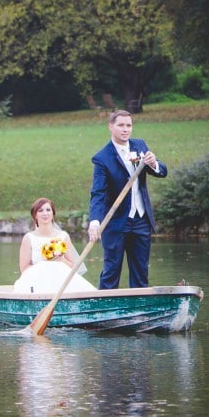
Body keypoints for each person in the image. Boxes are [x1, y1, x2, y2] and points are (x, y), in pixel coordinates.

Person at [87, 109, 168, 289]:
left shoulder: (140, 146)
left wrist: (153, 163)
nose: (125, 129)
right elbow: (98, 193)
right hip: (115, 222)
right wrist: (94, 221)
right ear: (111, 127)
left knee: (141, 272)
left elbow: (162, 172)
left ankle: (139, 312)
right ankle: (105, 310)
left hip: (141, 220)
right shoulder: (102, 158)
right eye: (121, 125)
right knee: (111, 272)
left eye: (129, 125)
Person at [14, 197, 95, 294]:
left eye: (48, 210)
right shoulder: (29, 238)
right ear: (35, 215)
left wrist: (61, 260)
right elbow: (24, 268)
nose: (45, 213)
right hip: (37, 281)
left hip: (61, 281)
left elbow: (73, 266)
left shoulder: (63, 236)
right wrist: (44, 265)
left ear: (53, 214)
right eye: (40, 211)